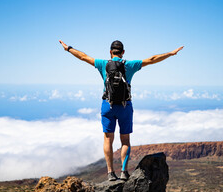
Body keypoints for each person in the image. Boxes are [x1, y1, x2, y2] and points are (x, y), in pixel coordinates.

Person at [59, 40, 183, 181]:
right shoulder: (130, 65)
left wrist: (68, 48)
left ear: (110, 52)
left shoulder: (102, 64)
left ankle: (110, 173)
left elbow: (83, 56)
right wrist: (171, 53)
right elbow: (152, 59)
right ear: (123, 52)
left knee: (108, 139)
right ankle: (124, 172)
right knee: (125, 140)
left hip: (107, 106)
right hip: (125, 107)